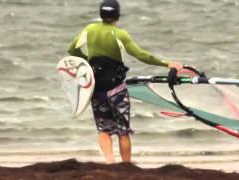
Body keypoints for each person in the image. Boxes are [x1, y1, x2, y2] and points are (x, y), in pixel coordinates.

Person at [67, 0, 183, 164]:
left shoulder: (89, 29)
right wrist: (167, 63)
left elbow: (72, 49)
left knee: (103, 128)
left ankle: (110, 162)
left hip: (97, 87)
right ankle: (126, 166)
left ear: (101, 14)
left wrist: (87, 62)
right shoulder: (120, 34)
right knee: (123, 130)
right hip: (117, 90)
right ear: (117, 16)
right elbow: (141, 55)